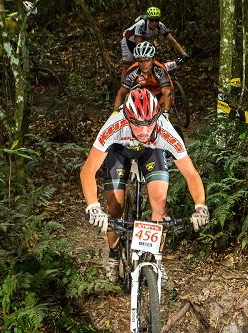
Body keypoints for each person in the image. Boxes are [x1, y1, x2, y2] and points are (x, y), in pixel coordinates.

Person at [80, 88, 209, 282]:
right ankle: (114, 255)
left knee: (159, 203)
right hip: (119, 152)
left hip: (151, 152)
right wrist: (93, 206)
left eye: (149, 124)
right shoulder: (114, 125)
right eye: (138, 125)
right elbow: (88, 171)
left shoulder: (164, 130)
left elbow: (191, 174)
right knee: (114, 208)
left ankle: (155, 260)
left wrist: (200, 206)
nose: (144, 131)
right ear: (127, 119)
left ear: (157, 118)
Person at [121, 6, 188, 79]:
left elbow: (172, 41)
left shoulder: (161, 26)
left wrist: (183, 54)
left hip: (143, 40)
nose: (154, 23)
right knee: (127, 66)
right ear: (148, 19)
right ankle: (124, 86)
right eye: (152, 20)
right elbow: (138, 45)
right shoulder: (141, 25)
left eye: (156, 20)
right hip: (129, 41)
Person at [114, 41, 172, 114]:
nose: (144, 65)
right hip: (142, 96)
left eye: (147, 60)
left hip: (159, 94)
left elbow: (167, 92)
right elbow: (121, 93)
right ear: (137, 61)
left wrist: (166, 113)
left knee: (165, 101)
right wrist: (115, 113)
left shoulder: (159, 70)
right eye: (141, 61)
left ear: (153, 59)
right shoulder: (133, 71)